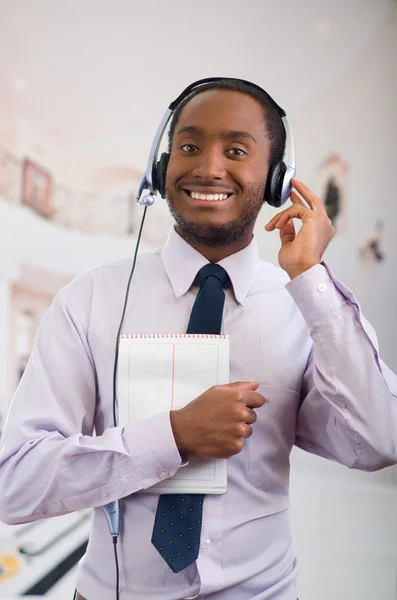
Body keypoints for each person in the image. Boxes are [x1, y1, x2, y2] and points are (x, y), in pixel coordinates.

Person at [0, 78, 396, 600]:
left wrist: (313, 280)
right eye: (188, 146)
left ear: (278, 179)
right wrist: (173, 435)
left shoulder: (308, 305)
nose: (208, 167)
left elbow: (381, 440)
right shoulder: (88, 300)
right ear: (161, 170)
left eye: (235, 149)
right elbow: (16, 486)